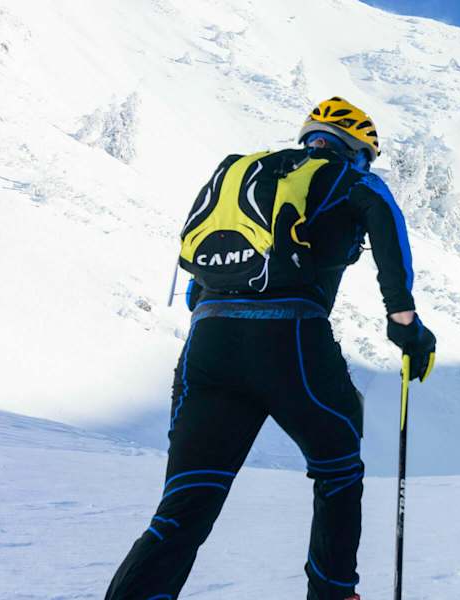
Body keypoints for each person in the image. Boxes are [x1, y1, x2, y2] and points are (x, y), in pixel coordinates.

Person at [105, 97, 437, 600]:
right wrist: (406, 327)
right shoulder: (351, 177)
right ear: (358, 148)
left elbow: (199, 282)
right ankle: (333, 594)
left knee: (185, 503)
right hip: (291, 340)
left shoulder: (248, 175)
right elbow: (390, 240)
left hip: (208, 344)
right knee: (339, 470)